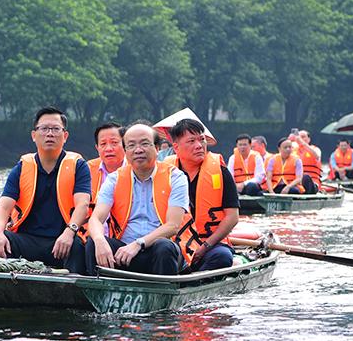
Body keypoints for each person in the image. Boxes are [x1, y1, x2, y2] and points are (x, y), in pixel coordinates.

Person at [0, 106, 90, 274]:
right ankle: (0, 292)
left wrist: (69, 231)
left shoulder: (78, 166)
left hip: (62, 240)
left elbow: (83, 205)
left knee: (76, 245)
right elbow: (3, 207)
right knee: (0, 239)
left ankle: (72, 294)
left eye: (55, 129)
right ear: (34, 135)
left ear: (65, 136)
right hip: (28, 240)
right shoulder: (22, 167)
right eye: (44, 129)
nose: (49, 134)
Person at [86, 123, 186, 276]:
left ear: (158, 148)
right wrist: (100, 240)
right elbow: (96, 219)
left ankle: (161, 296)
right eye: (131, 145)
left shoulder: (175, 177)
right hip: (124, 253)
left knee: (164, 247)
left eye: (145, 144)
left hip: (160, 251)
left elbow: (173, 225)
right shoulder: (115, 179)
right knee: (93, 244)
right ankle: (102, 295)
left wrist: (139, 243)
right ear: (125, 152)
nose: (138, 150)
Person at [168, 118, 240, 271]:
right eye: (192, 141)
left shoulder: (220, 171)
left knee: (222, 257)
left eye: (202, 140)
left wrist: (206, 246)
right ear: (176, 147)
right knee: (162, 251)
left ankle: (193, 282)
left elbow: (232, 217)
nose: (199, 146)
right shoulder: (166, 172)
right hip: (176, 242)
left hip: (211, 243)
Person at [87, 121, 125, 202]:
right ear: (97, 148)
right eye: (103, 144)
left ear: (125, 145)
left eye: (114, 143)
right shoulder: (87, 169)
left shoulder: (136, 168)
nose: (108, 149)